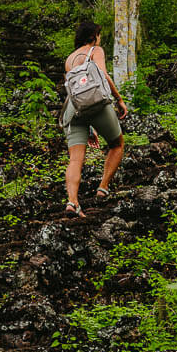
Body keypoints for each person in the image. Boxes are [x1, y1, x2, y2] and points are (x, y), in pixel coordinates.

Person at [59, 20, 128, 217]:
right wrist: (119, 99)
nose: (99, 38)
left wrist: (89, 128)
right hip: (97, 102)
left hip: (74, 109)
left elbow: (76, 91)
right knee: (117, 144)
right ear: (93, 36)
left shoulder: (69, 59)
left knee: (75, 159)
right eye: (99, 35)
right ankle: (103, 187)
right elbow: (103, 75)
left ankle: (72, 202)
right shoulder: (95, 50)